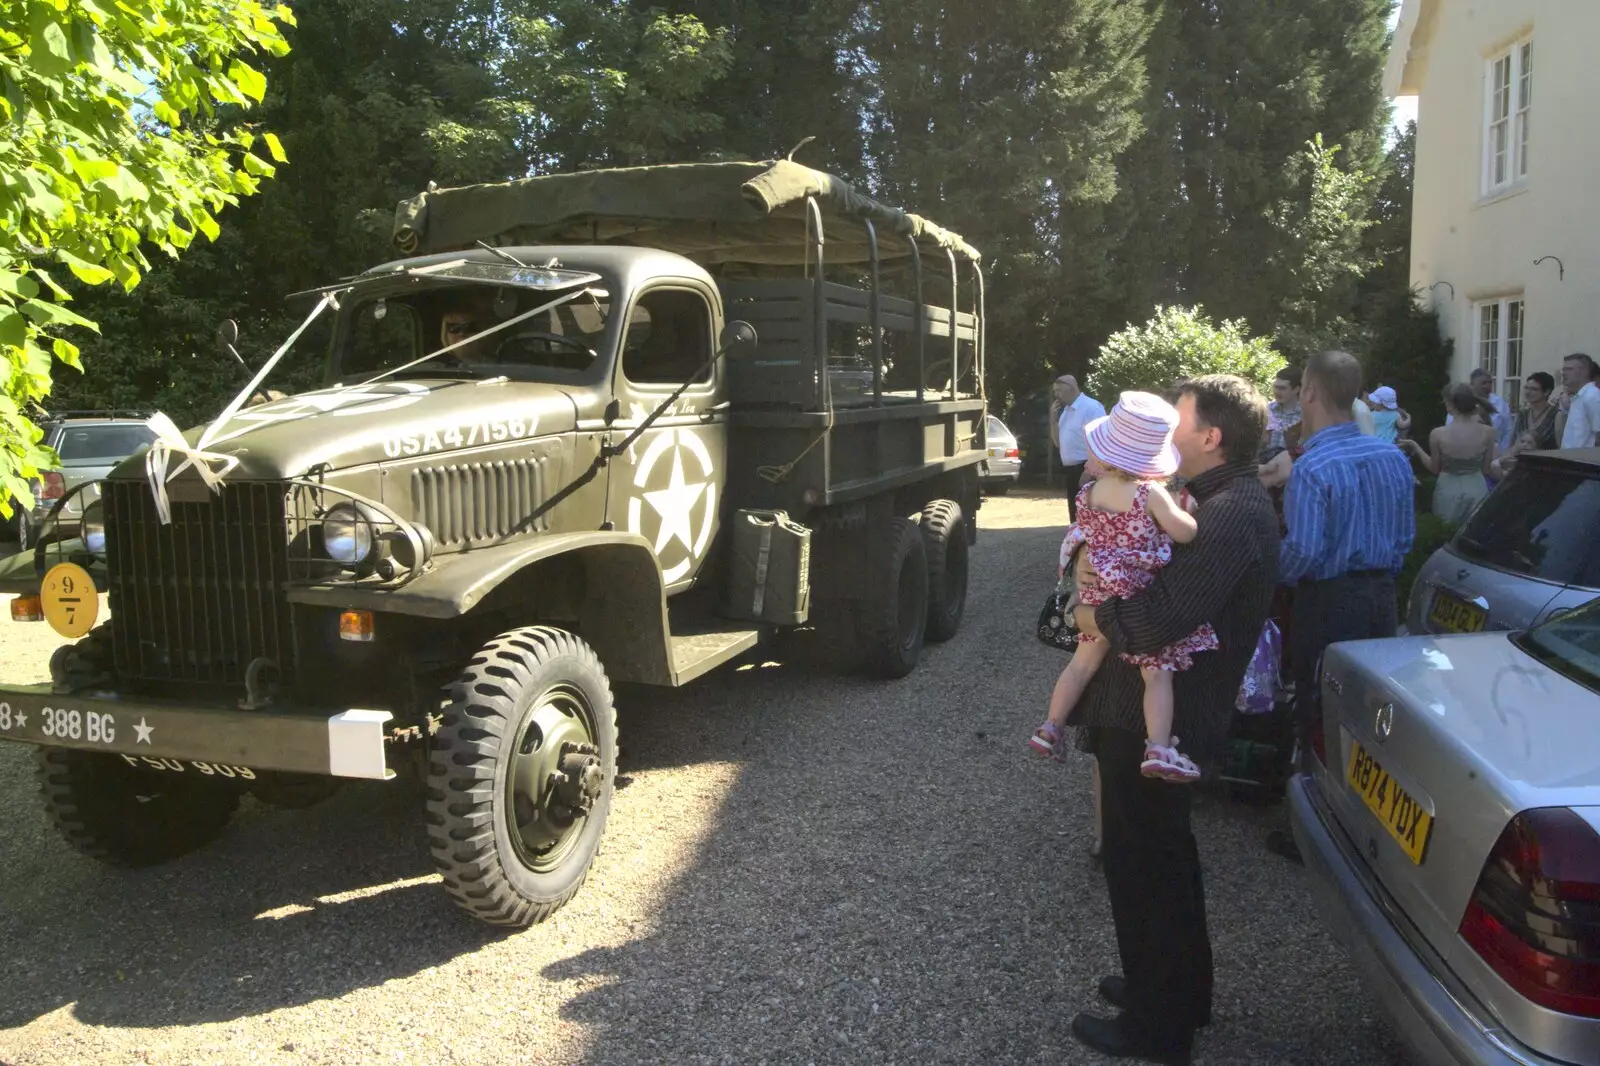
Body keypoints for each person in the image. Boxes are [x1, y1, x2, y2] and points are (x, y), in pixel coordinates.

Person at [1064, 375, 1279, 1064]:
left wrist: (1087, 616)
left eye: (1178, 421)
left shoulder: (1230, 514)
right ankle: (1172, 991)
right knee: (1153, 863)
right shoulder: (1210, 500)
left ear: (1210, 437)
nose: (1165, 435)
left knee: (1148, 866)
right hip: (1145, 713)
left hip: (1161, 726)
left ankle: (1159, 1032)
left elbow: (1157, 617)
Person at [1269, 350, 1414, 864]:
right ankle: (1366, 823)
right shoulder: (1392, 457)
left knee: (1317, 705)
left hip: (1329, 601)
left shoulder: (1314, 468)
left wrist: (1264, 572)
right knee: (1372, 712)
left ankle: (1310, 823)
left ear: (1308, 391)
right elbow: (1404, 539)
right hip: (1380, 597)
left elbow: (1303, 553)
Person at [1028, 393, 1217, 782]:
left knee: (1080, 665)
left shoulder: (1088, 493)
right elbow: (1186, 534)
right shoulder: (1151, 494)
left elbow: (1087, 535)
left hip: (1099, 590)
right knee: (1157, 673)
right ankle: (1159, 746)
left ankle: (1051, 726)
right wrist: (1190, 514)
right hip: (1138, 594)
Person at [1401, 383, 1497, 523]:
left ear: (1450, 405)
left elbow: (1434, 468)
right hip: (1477, 488)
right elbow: (1486, 469)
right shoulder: (1488, 432)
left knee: (1446, 531)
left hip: (1448, 490)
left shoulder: (1438, 434)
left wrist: (1415, 446)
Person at [1049, 375, 1107, 504]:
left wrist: (1089, 471)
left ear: (1072, 388)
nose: (1056, 395)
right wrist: (1053, 419)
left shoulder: (1091, 407)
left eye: (1059, 390)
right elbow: (1057, 443)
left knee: (1088, 516)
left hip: (1087, 469)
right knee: (1075, 516)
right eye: (1055, 391)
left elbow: (1100, 442)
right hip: (1071, 471)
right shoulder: (1066, 411)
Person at [1558, 353, 1600, 449]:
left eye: (1569, 369)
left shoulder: (1592, 396)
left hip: (1584, 461)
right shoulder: (1579, 396)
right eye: (1563, 369)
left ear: (1585, 372)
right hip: (1570, 460)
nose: (1563, 373)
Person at [1465, 367, 1513, 450]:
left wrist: (1502, 452)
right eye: (1483, 383)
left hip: (1495, 453)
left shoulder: (1500, 403)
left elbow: (1508, 431)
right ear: (1472, 385)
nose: (1487, 386)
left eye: (1490, 383)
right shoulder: (1462, 402)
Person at [1513, 371, 1559, 451]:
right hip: (1521, 461)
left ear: (1546, 392)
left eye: (1534, 389)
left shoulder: (1556, 415)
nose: (1528, 392)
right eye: (1526, 388)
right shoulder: (1522, 415)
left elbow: (1561, 446)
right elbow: (1512, 443)